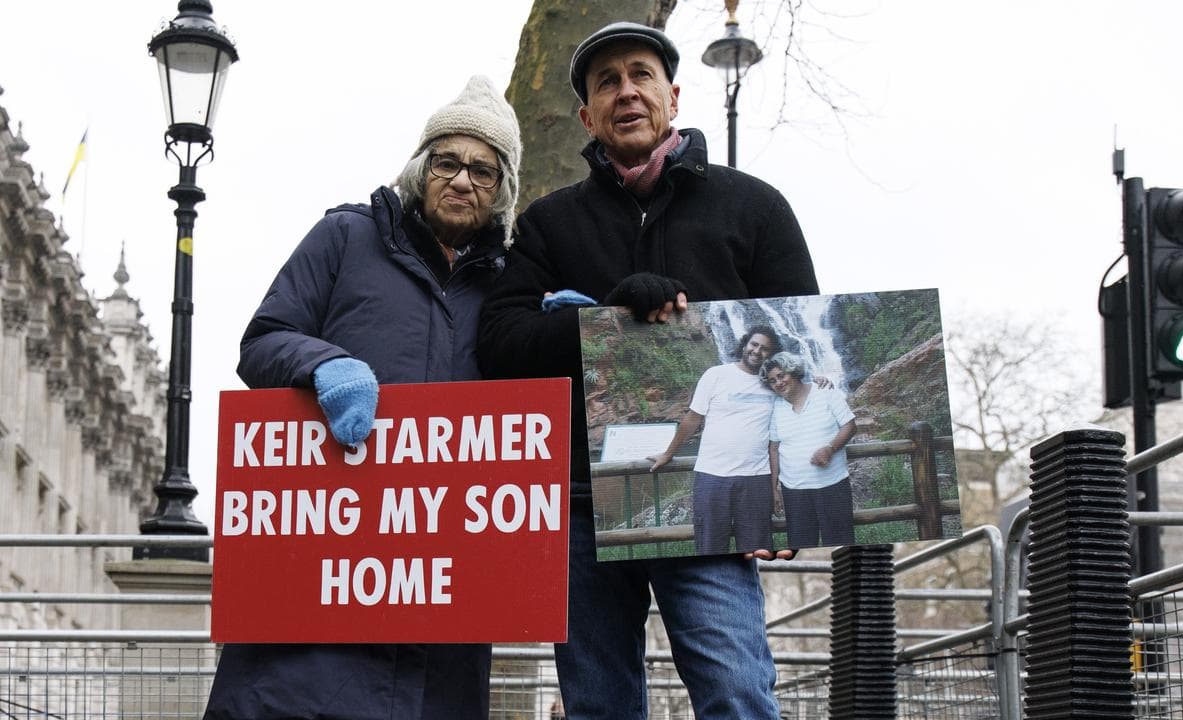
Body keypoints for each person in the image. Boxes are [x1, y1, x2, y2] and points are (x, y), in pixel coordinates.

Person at [478, 21, 818, 719]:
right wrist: (604, 321)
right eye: (607, 82)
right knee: (598, 703)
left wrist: (788, 500)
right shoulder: (546, 225)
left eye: (640, 75)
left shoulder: (755, 207)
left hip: (715, 492)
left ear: (673, 96)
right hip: (580, 502)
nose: (625, 91)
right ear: (586, 115)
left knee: (737, 691)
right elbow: (501, 341)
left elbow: (799, 353)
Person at [203, 75, 521, 720]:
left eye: (484, 171)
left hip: (442, 598)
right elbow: (262, 342)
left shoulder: (514, 284)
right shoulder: (345, 238)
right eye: (448, 162)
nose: (463, 181)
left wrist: (568, 331)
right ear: (418, 168)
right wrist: (325, 363)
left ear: (503, 194)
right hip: (319, 580)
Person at [648, 325, 784, 556]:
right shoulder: (716, 374)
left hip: (756, 479)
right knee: (710, 549)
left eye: (765, 349)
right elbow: (692, 419)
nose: (757, 351)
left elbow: (800, 392)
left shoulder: (774, 384)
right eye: (754, 344)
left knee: (756, 550)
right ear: (745, 344)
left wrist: (820, 382)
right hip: (712, 476)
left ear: (771, 355)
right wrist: (668, 454)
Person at [762, 352, 858, 548]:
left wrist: (830, 449)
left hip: (833, 486)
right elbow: (774, 448)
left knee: (841, 545)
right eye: (772, 381)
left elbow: (850, 425)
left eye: (781, 376)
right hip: (794, 492)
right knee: (802, 547)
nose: (778, 383)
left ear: (794, 372)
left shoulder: (824, 392)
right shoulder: (776, 407)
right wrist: (773, 489)